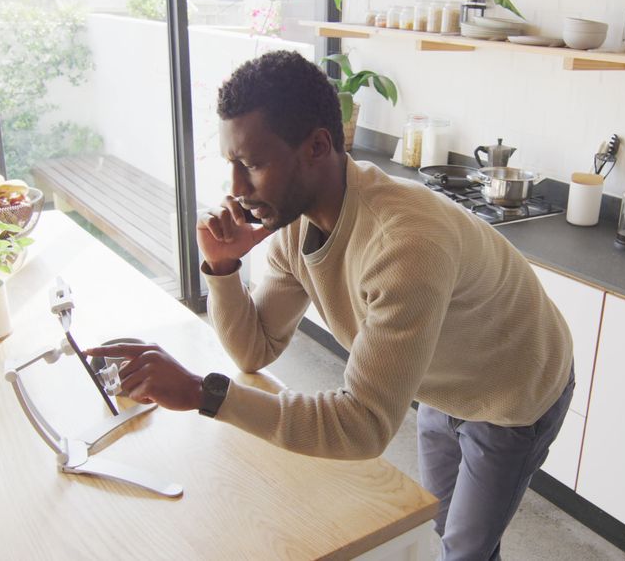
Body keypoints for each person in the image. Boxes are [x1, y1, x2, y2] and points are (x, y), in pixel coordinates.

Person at [87, 50, 574, 560]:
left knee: (466, 550)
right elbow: (254, 351)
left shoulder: (404, 244)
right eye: (231, 163)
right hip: (441, 376)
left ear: (318, 145)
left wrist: (199, 391)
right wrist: (224, 269)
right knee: (438, 524)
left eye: (251, 164)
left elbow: (362, 425)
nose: (234, 189)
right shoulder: (292, 225)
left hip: (514, 386)